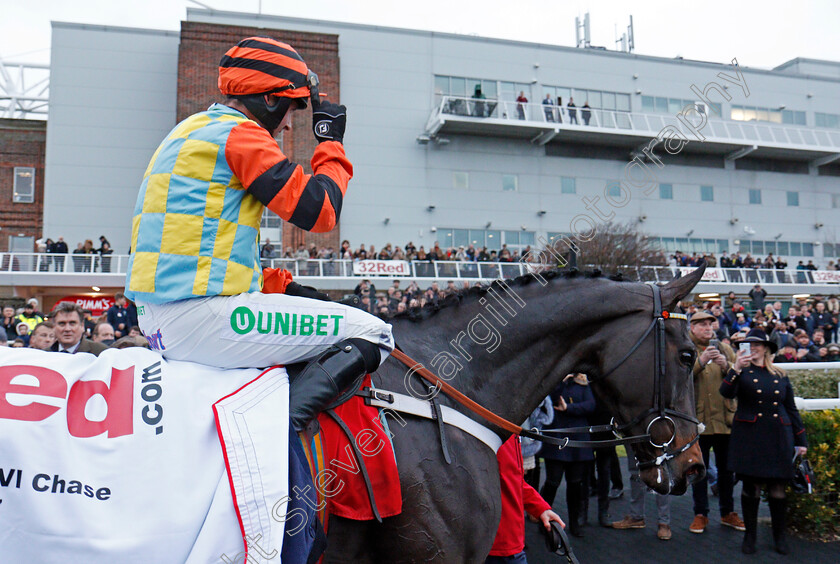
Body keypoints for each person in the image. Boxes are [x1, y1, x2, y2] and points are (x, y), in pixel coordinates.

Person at [123, 36, 393, 434]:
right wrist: (331, 143)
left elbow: (203, 244)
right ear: (269, 100)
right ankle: (284, 438)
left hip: (159, 318)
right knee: (375, 331)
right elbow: (321, 211)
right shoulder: (241, 134)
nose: (288, 123)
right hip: (200, 318)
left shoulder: (190, 129)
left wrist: (284, 287)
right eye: (291, 109)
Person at [720, 328, 807, 555]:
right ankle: (750, 537)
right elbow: (726, 393)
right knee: (752, 487)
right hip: (751, 436)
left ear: (767, 348)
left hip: (779, 435)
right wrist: (736, 367)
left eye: (757, 344)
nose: (753, 348)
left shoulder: (779, 374)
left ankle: (780, 536)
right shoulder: (741, 371)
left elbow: (791, 408)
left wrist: (801, 440)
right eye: (748, 344)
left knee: (778, 488)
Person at [687, 312, 745, 534]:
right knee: (698, 471)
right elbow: (680, 377)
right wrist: (700, 362)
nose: (707, 328)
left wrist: (726, 365)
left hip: (725, 419)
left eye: (710, 324)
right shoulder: (686, 348)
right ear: (692, 327)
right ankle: (700, 514)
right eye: (702, 324)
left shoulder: (724, 348)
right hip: (698, 421)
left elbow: (739, 377)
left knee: (726, 470)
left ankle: (728, 512)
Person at [487, 436, 564, 564]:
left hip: (506, 542)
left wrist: (540, 508)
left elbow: (514, 479)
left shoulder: (508, 431)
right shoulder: (490, 431)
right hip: (497, 545)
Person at [539, 373, 595, 538]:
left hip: (577, 441)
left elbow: (591, 405)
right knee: (552, 483)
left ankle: (574, 523)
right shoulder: (554, 380)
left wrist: (570, 408)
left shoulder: (583, 382)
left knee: (575, 484)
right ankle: (544, 520)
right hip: (557, 441)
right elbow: (550, 400)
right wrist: (561, 381)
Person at [612, 444, 673, 540]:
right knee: (635, 472)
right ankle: (636, 517)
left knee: (661, 472)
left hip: (656, 434)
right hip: (634, 435)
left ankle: (664, 523)